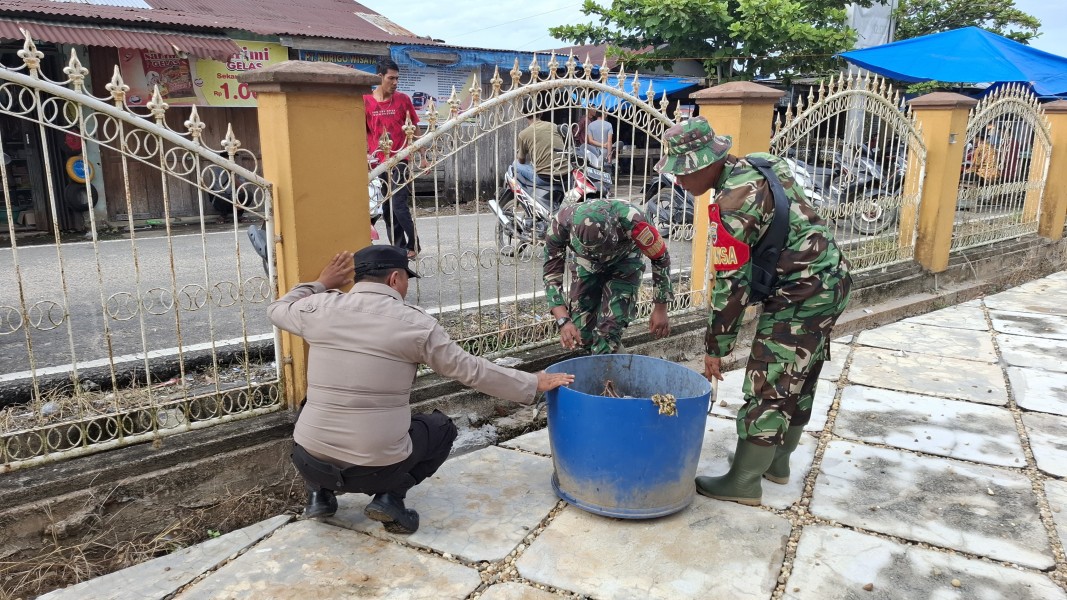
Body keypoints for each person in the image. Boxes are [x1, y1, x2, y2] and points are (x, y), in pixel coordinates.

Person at [268, 245, 574, 533]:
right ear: (395, 278)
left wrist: (320, 283)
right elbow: (471, 370)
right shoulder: (415, 325)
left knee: (314, 403)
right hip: (375, 469)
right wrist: (534, 382)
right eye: (405, 281)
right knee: (440, 428)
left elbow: (277, 309)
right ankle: (389, 499)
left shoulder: (317, 308)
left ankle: (319, 496)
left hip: (310, 461)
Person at [656, 117, 851, 506]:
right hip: (832, 279)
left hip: (801, 293)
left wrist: (715, 346)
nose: (679, 183)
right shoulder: (760, 163)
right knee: (801, 373)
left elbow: (731, 285)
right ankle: (775, 464)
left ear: (703, 164)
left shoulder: (731, 206)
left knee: (770, 382)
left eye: (683, 174)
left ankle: (744, 481)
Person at [543, 198, 672, 355]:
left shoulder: (634, 221)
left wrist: (660, 308)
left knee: (609, 330)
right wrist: (564, 321)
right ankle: (612, 361)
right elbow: (551, 275)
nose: (600, 256)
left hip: (624, 262)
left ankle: (610, 374)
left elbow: (660, 258)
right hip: (586, 264)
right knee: (581, 333)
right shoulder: (559, 226)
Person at [365, 58, 421, 258]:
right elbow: (363, 133)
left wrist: (422, 155)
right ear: (380, 77)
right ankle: (399, 248)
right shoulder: (366, 101)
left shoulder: (403, 99)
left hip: (400, 159)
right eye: (391, 78)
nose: (395, 82)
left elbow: (414, 128)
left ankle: (413, 244)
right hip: (379, 163)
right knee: (388, 208)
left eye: (397, 78)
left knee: (398, 204)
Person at [514, 103, 570, 196]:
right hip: (565, 175)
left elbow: (521, 160)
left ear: (525, 115)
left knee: (514, 164)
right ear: (542, 113)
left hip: (545, 178)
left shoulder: (523, 134)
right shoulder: (554, 126)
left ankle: (526, 193)